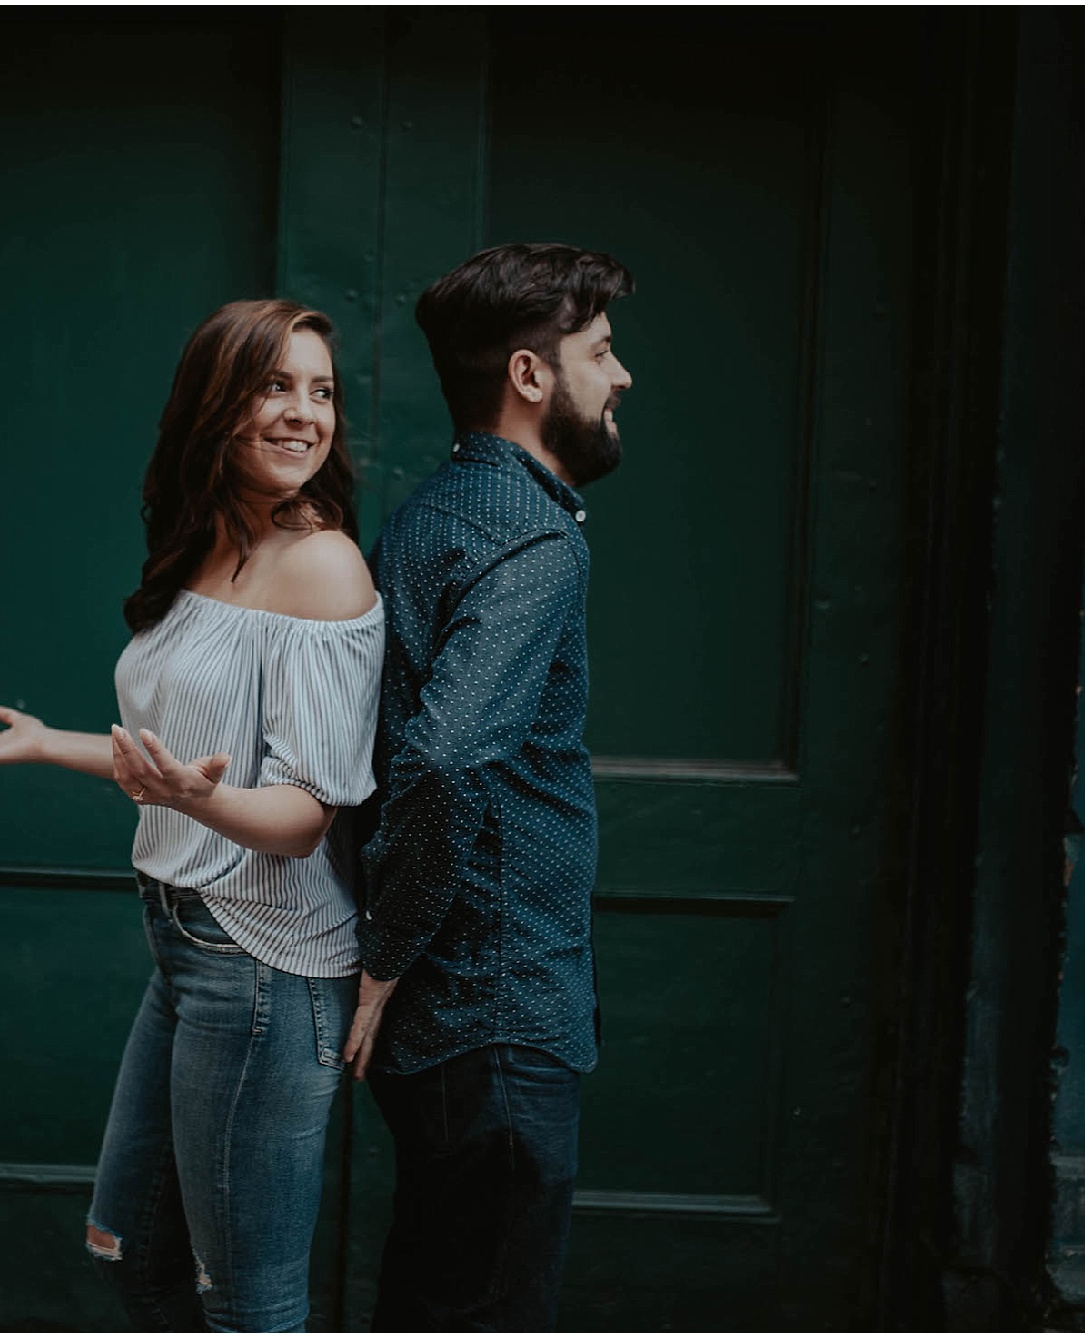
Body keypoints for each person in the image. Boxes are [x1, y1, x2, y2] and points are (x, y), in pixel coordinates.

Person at [0, 298, 382, 1333]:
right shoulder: (210, 545)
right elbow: (173, 764)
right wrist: (47, 742)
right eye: (275, 385)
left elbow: (303, 818)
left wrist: (199, 798)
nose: (304, 413)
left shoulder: (321, 564)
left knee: (248, 1304)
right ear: (215, 403)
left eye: (320, 391)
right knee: (132, 1254)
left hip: (264, 965)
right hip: (185, 945)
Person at [339, 243, 635, 1330]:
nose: (621, 376)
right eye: (599, 352)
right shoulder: (533, 541)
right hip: (496, 1015)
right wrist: (385, 957)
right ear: (528, 375)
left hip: (456, 1024)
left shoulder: (431, 514)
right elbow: (447, 754)